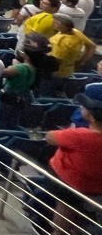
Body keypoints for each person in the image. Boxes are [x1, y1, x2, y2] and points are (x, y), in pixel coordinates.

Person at [46, 93, 102, 231]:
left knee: (62, 224)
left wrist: (70, 131)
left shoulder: (80, 135)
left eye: (84, 108)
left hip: (69, 186)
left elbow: (50, 137)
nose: (81, 108)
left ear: (92, 118)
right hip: (95, 189)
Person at [0, 47, 38, 131]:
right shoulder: (35, 67)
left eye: (22, 52)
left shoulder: (19, 68)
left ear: (27, 56)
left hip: (7, 98)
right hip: (22, 96)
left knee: (0, 123)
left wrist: (15, 66)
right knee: (13, 122)